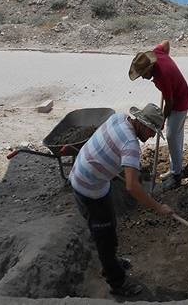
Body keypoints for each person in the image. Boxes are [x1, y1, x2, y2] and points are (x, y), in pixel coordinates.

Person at [69, 103, 175, 297]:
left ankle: (111, 262)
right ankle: (117, 282)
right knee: (104, 237)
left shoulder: (119, 118)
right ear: (143, 125)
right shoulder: (131, 145)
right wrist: (158, 208)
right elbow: (132, 186)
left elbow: (110, 145)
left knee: (109, 226)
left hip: (89, 177)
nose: (151, 137)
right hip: (88, 187)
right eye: (152, 132)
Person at [129, 40, 188, 190]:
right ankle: (174, 167)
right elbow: (166, 43)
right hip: (178, 96)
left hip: (180, 102)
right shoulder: (156, 53)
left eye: (143, 74)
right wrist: (167, 59)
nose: (143, 78)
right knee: (176, 135)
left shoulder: (162, 76)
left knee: (171, 135)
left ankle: (176, 176)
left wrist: (161, 121)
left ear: (150, 67)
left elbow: (169, 103)